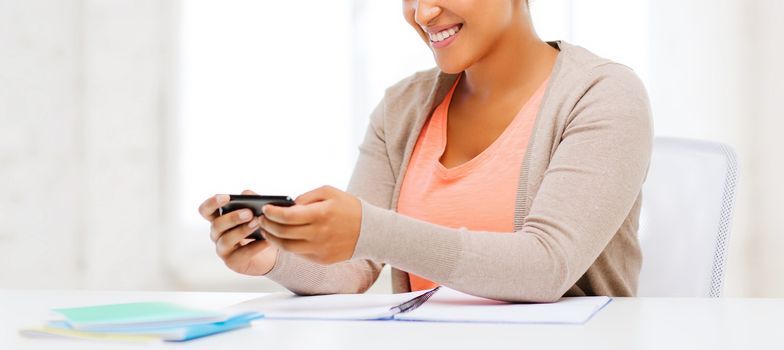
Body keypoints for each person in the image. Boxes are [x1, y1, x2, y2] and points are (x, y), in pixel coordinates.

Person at [198, 0, 652, 302]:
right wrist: (273, 256)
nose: (422, 11)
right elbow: (354, 267)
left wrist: (369, 229)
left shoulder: (603, 93)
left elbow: (546, 266)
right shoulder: (402, 108)